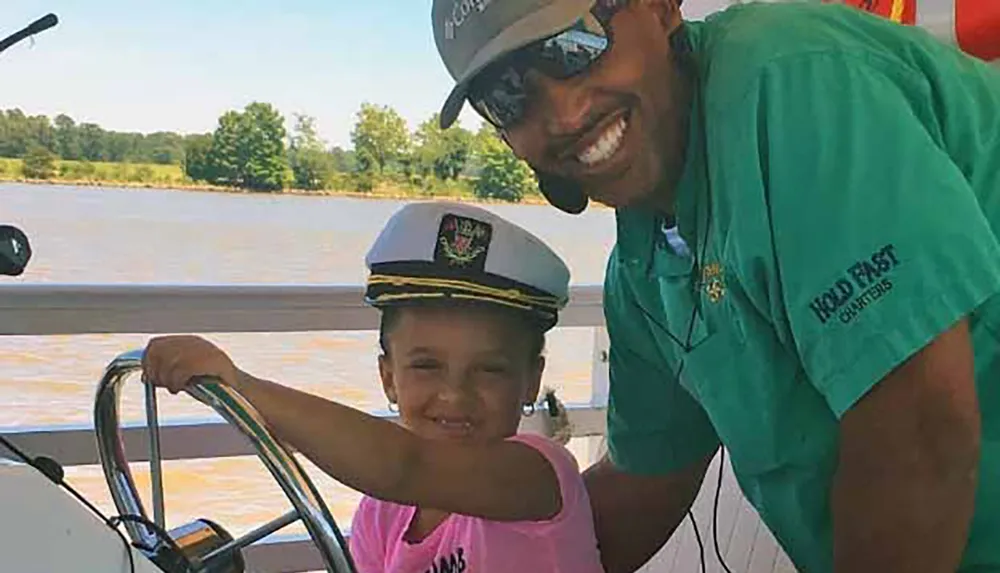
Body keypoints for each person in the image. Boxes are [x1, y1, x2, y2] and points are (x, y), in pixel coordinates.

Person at [429, 0, 1000, 572]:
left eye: (575, 45)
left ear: (661, 9)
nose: (562, 113)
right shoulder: (643, 272)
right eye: (507, 96)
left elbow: (921, 436)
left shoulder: (792, 83)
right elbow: (643, 487)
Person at [140, 201, 604, 573]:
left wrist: (240, 386)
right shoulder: (382, 513)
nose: (454, 396)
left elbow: (404, 465)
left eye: (489, 371)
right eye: (426, 366)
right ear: (388, 378)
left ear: (532, 381)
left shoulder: (538, 476)